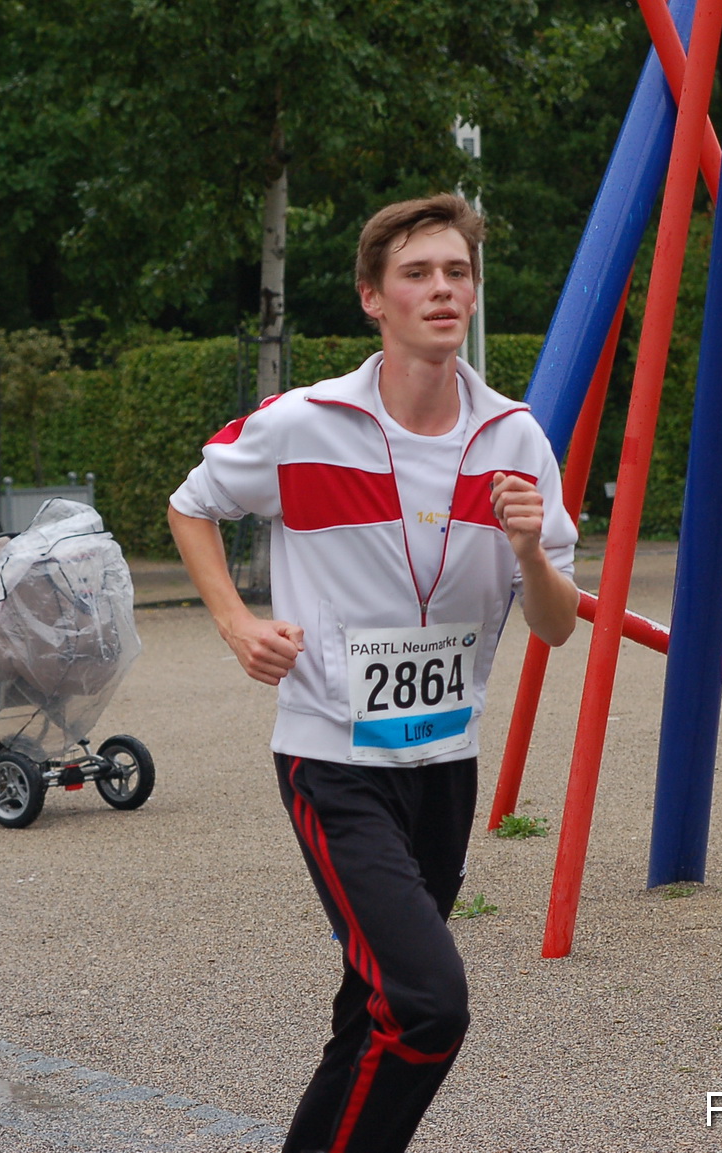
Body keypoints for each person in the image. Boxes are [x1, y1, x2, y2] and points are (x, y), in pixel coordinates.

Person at [168, 194, 579, 1151]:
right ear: (371, 298)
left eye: (457, 273)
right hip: (333, 759)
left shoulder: (515, 436)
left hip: (445, 762)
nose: (443, 290)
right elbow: (192, 505)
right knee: (429, 1003)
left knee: (375, 1008)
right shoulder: (304, 422)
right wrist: (236, 625)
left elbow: (556, 626)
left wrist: (529, 551)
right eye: (417, 273)